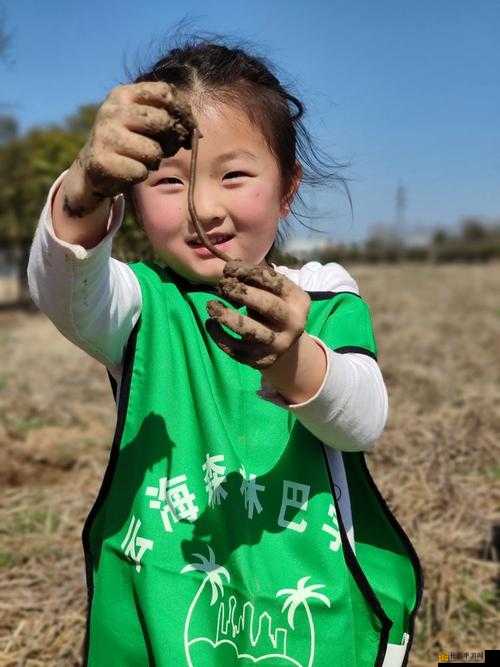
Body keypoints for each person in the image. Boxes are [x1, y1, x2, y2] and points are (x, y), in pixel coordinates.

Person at [28, 38, 422, 667]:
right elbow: (65, 294)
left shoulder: (324, 295)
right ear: (128, 192)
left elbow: (363, 422)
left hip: (310, 612)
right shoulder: (140, 306)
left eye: (234, 175)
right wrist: (81, 193)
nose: (204, 210)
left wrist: (291, 358)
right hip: (171, 608)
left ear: (287, 189)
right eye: (167, 181)